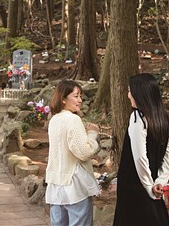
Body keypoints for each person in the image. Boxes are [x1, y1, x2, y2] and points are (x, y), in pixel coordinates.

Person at [113, 73, 169, 226]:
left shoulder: (137, 119)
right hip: (150, 182)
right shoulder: (164, 119)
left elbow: (140, 157)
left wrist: (150, 187)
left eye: (130, 91)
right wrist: (160, 181)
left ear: (140, 94)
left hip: (134, 184)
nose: (128, 96)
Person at [45, 80, 101, 226]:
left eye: (80, 96)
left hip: (56, 183)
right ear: (63, 99)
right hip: (73, 184)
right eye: (76, 96)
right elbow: (84, 152)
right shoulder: (72, 119)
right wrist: (92, 133)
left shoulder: (54, 119)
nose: (80, 100)